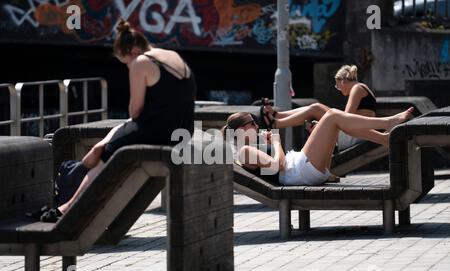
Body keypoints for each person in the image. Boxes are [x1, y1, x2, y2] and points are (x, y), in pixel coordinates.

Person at [31, 20, 196, 222]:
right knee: (108, 143)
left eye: (125, 62)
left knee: (104, 155)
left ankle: (66, 208)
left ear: (133, 51)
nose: (127, 66)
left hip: (158, 133)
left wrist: (133, 72)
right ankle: (69, 196)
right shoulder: (173, 56)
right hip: (183, 133)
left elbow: (135, 111)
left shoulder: (141, 62)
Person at [222, 107, 414, 186]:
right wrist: (276, 141)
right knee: (331, 116)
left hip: (302, 169)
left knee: (333, 120)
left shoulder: (248, 149)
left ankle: (384, 136)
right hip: (298, 171)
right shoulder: (245, 151)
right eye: (251, 123)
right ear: (240, 130)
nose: (256, 126)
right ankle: (387, 124)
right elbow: (278, 165)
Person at [260, 65, 387, 149]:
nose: (338, 89)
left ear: (343, 81)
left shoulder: (357, 88)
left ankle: (277, 123)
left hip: (354, 136)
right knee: (314, 107)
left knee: (315, 108)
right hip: (355, 133)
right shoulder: (362, 88)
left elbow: (347, 118)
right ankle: (278, 116)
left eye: (338, 86)